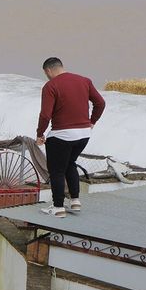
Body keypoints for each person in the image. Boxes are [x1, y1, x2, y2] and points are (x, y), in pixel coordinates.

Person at [36, 56, 105, 217]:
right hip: (83, 135)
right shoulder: (84, 81)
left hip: (61, 135)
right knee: (70, 164)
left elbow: (45, 115)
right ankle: (75, 201)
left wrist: (40, 134)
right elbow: (100, 103)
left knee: (57, 171)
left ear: (48, 71)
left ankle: (58, 207)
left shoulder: (50, 86)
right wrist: (92, 121)